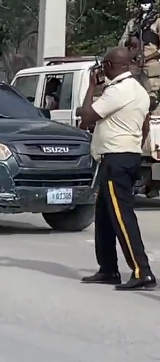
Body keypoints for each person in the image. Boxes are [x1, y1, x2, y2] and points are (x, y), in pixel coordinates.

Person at [77, 46, 155, 290]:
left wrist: (91, 86)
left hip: (116, 160)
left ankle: (142, 271)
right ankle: (108, 269)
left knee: (122, 217)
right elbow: (145, 127)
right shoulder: (139, 91)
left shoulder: (118, 91)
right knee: (104, 216)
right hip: (125, 157)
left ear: (110, 66)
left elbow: (87, 117)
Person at [122, 0, 160, 113]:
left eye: (147, 2)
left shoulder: (157, 21)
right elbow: (121, 43)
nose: (144, 5)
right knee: (135, 101)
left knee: (153, 103)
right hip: (134, 67)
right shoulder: (133, 23)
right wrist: (130, 41)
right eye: (142, 2)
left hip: (152, 68)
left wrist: (148, 57)